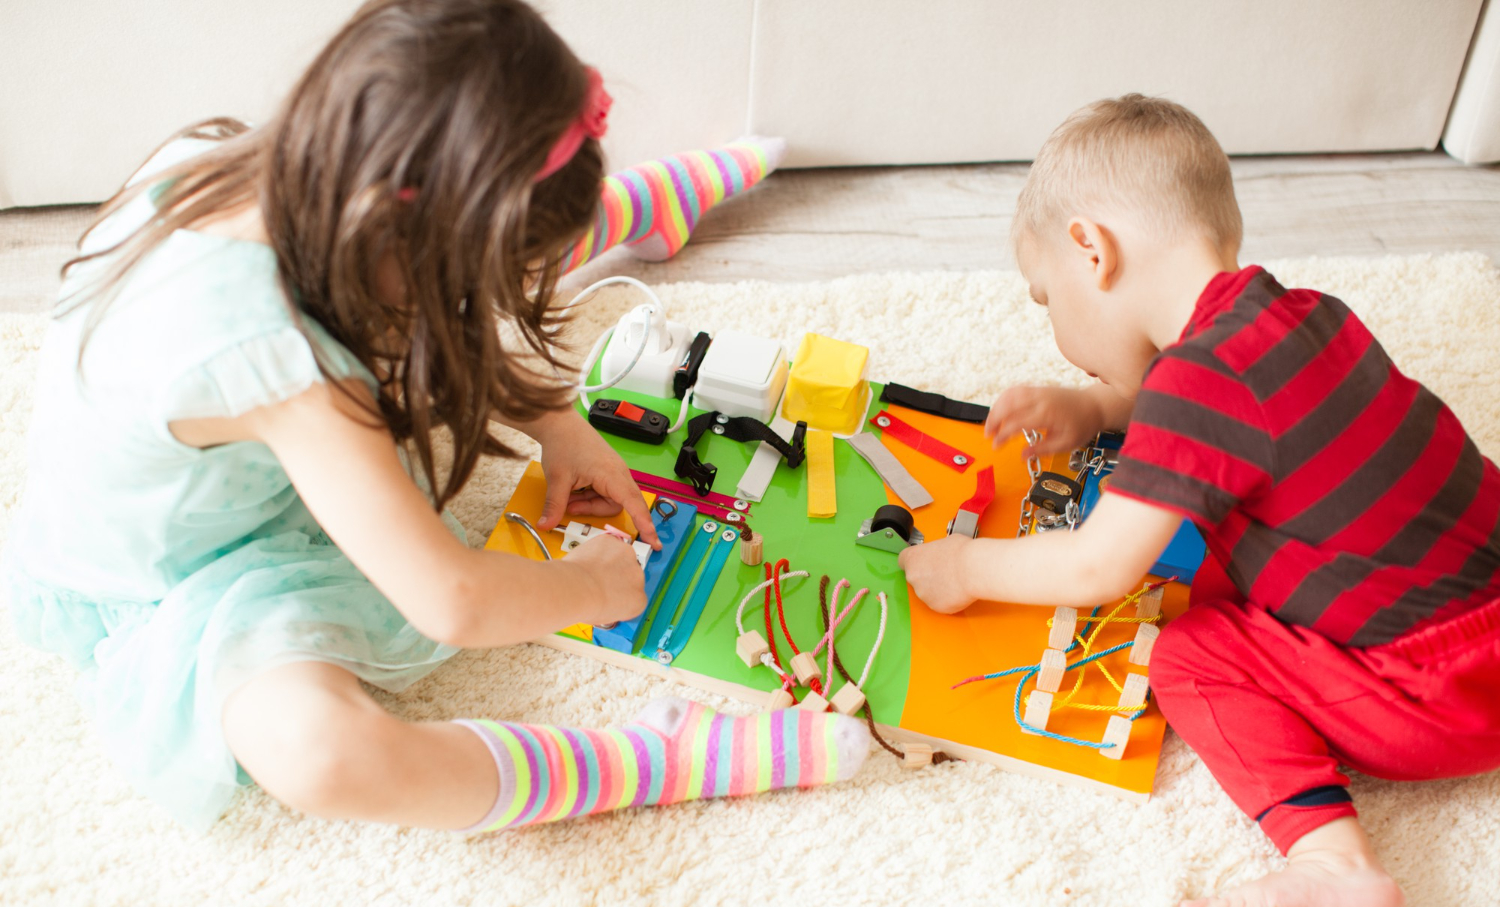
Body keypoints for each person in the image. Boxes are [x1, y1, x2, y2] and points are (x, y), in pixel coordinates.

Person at [3, 0, 866, 835]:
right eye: (467, 285)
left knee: (491, 252)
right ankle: (657, 757)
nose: (471, 308)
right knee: (322, 754)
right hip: (169, 583)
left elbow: (417, 306)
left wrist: (556, 417)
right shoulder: (285, 368)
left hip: (237, 460)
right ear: (405, 243)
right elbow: (449, 601)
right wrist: (590, 585)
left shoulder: (246, 160)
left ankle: (638, 209)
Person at [899, 94, 1500, 907]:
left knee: (1191, 654)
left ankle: (1337, 863)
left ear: (1090, 251)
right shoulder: (1307, 314)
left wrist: (966, 570)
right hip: (1485, 595)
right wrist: (1095, 404)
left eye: (1046, 301)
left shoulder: (1195, 387)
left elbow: (1096, 566)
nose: (1054, 324)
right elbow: (1215, 417)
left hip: (1437, 690)